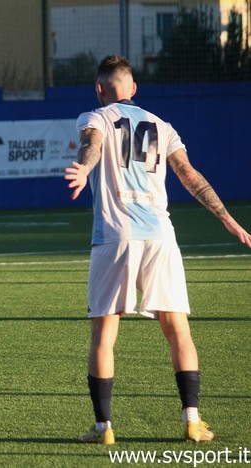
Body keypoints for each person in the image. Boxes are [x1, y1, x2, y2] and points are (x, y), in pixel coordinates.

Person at [65, 55, 251, 444]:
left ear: (99, 90)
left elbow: (92, 144)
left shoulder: (94, 117)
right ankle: (192, 421)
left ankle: (104, 429)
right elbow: (190, 175)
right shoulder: (162, 126)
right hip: (161, 237)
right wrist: (228, 220)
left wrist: (83, 168)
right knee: (177, 329)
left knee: (104, 334)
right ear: (133, 89)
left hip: (117, 236)